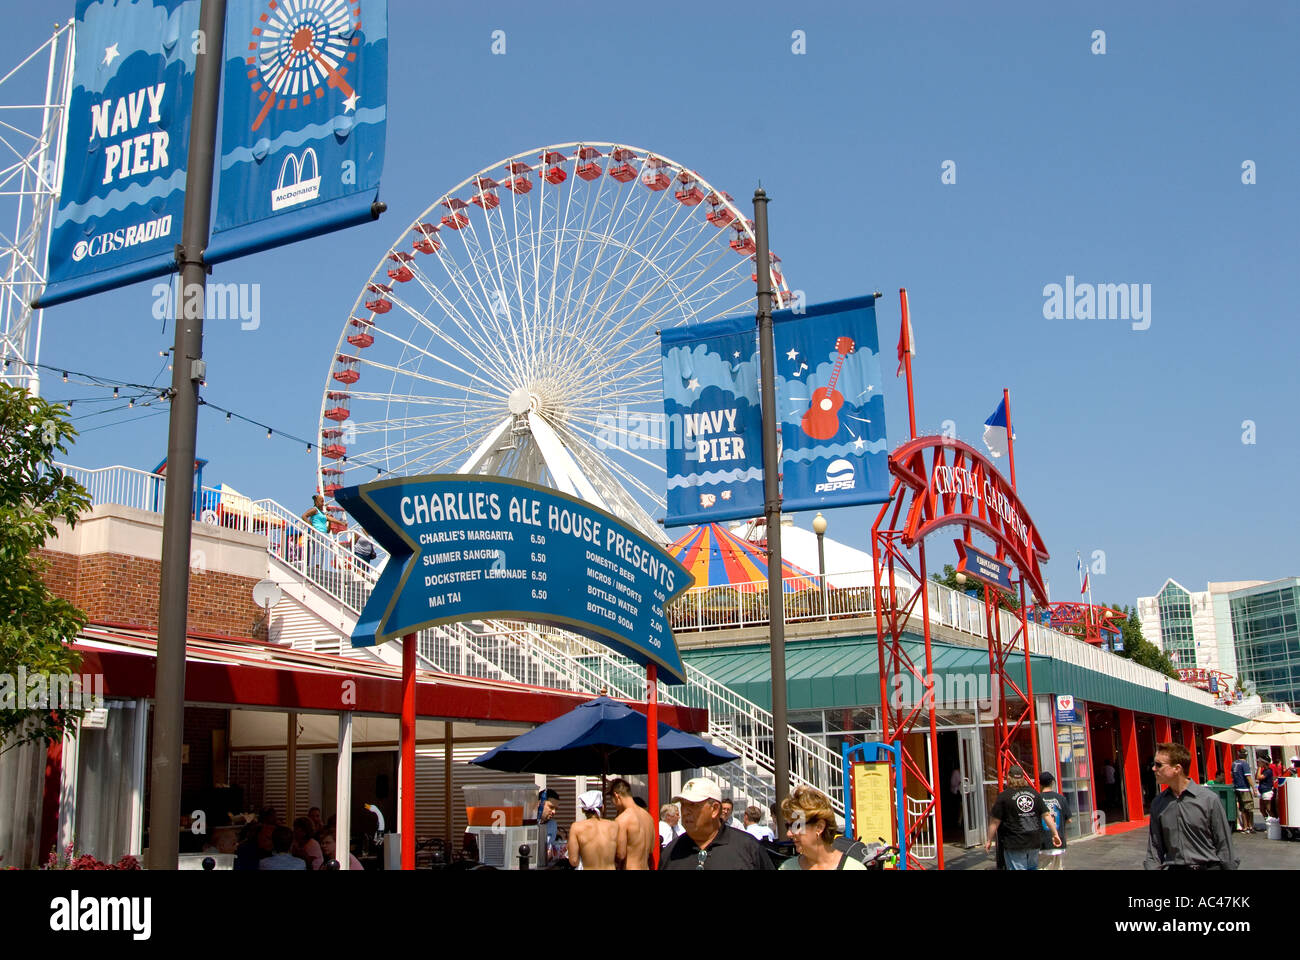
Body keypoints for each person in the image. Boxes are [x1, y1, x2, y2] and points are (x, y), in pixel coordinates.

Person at [1145, 742, 1237, 870]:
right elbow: (1154, 848)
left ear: (1177, 768)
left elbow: (1224, 845)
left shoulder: (1209, 799)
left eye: (1158, 765)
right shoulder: (1158, 803)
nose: (1153, 768)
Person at [660, 778, 773, 871]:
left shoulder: (747, 848)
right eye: (683, 805)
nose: (685, 811)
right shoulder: (671, 852)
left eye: (693, 805)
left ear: (714, 809)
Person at [986, 768, 1060, 870]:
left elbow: (995, 821)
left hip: (1014, 843)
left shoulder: (1004, 796)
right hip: (1033, 841)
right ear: (1023, 778)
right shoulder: (1035, 794)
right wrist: (1055, 833)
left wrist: (989, 839)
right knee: (1032, 868)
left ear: (1009, 778)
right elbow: (1047, 815)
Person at [779, 786, 864, 870]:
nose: (789, 833)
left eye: (796, 826)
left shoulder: (853, 868)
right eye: (788, 826)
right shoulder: (786, 868)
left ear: (819, 827)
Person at [609, 778, 655, 869]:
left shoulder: (622, 819)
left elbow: (621, 854)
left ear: (616, 796)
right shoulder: (648, 817)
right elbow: (651, 849)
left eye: (612, 800)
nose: (613, 805)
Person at [568, 790, 618, 870]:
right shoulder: (614, 826)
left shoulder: (576, 827)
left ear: (583, 809)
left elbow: (574, 861)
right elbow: (620, 855)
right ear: (603, 807)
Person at [1037, 772, 1073, 870]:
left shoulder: (1037, 799)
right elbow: (1069, 819)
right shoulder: (1061, 798)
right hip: (1059, 840)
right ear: (1052, 782)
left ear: (1040, 783)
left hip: (1043, 841)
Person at [1230, 749, 1256, 833]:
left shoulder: (1234, 763)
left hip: (1237, 788)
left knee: (1242, 809)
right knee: (1249, 808)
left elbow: (1231, 775)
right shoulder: (1245, 764)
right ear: (1246, 755)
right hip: (1244, 788)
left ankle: (1245, 827)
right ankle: (1250, 826)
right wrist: (1254, 788)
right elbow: (1248, 777)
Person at [537, 788, 560, 856]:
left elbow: (551, 848)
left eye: (556, 809)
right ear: (539, 803)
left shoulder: (552, 825)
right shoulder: (528, 822)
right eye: (551, 807)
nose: (554, 812)